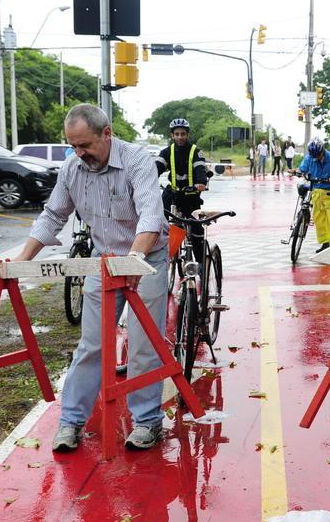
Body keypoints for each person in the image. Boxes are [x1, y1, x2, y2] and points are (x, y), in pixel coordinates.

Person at [18, 104, 171, 452]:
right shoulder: (73, 167)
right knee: (92, 344)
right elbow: (53, 214)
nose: (79, 153)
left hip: (145, 257)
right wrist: (22, 259)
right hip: (104, 261)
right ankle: (71, 421)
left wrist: (135, 258)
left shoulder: (136, 160)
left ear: (107, 134)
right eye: (73, 146)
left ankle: (146, 421)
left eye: (85, 145)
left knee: (144, 343)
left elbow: (150, 212)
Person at [157, 118, 209, 263]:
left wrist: (200, 182)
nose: (180, 137)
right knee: (158, 222)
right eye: (177, 134)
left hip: (190, 195)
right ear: (172, 135)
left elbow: (200, 168)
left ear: (187, 135)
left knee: (196, 231)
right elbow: (156, 168)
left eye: (183, 134)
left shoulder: (195, 151)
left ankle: (200, 265)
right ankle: (162, 255)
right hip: (172, 194)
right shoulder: (166, 152)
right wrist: (147, 180)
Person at [298, 137, 330, 252]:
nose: (316, 158)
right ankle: (325, 243)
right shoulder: (310, 158)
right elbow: (302, 168)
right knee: (319, 219)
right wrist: (297, 172)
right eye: (314, 156)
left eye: (318, 155)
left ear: (322, 150)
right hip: (316, 190)